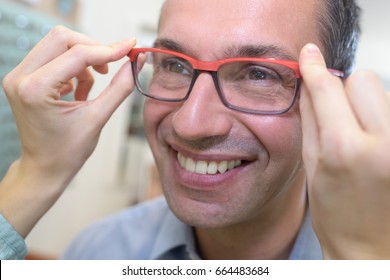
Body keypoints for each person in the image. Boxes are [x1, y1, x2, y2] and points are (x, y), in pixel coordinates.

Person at [1, 0, 390, 260]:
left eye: (259, 74)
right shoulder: (98, 252)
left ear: (332, 100)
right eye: (174, 65)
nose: (190, 123)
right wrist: (39, 169)